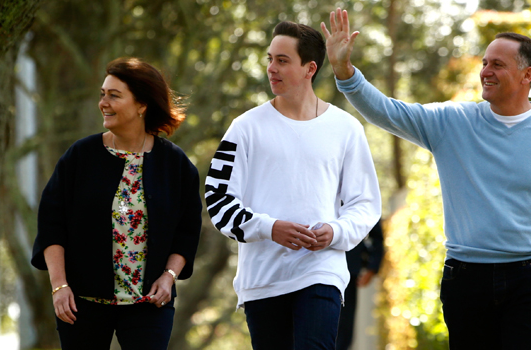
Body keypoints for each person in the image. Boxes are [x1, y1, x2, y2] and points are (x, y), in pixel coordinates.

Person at [321, 8, 531, 350]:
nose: (486, 71)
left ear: (527, 74)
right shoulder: (451, 122)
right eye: (485, 62)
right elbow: (388, 111)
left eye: (497, 64)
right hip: (467, 279)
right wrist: (344, 71)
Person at [205, 21, 381, 350]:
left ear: (309, 68)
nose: (272, 68)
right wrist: (269, 228)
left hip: (322, 272)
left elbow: (366, 203)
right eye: (270, 59)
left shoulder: (346, 129)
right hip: (263, 280)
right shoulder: (244, 128)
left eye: (282, 60)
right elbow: (217, 199)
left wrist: (336, 232)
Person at [31, 57, 202, 350]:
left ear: (142, 105)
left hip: (149, 303)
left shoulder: (175, 164)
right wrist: (59, 286)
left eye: (114, 95)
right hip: (80, 305)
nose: (104, 103)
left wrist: (168, 277)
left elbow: (187, 231)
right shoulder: (80, 157)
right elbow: (51, 225)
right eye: (102, 94)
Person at [336, 219, 384, 350]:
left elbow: (375, 232)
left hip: (348, 271)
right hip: (309, 270)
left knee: (344, 330)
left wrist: (372, 267)